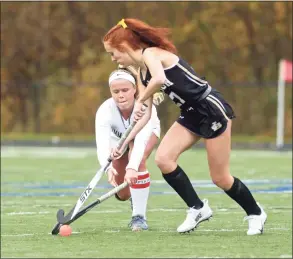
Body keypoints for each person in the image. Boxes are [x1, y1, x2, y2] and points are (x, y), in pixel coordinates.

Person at [102, 18, 267, 235]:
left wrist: (141, 99)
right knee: (163, 159)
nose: (114, 59)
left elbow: (160, 79)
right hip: (190, 114)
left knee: (220, 178)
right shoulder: (141, 73)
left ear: (125, 47)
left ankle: (255, 213)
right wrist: (124, 142)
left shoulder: (152, 54)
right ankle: (197, 208)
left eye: (113, 53)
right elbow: (145, 117)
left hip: (211, 109)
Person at [95, 67, 161, 231]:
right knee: (123, 194)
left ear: (134, 90)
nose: (120, 95)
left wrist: (132, 167)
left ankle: (139, 217)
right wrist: (108, 168)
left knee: (137, 162)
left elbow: (139, 143)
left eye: (125, 90)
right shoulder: (105, 110)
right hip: (118, 142)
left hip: (147, 133)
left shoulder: (145, 108)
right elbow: (102, 143)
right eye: (115, 91)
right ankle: (134, 195)